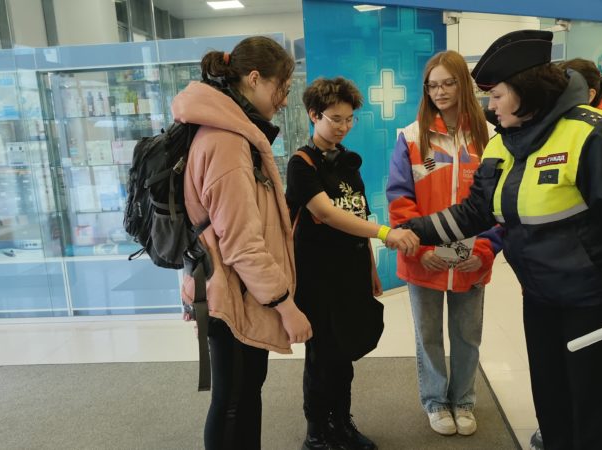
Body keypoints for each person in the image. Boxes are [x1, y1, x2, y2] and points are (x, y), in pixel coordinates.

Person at [399, 30, 602, 450]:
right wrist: (414, 232)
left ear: (526, 90)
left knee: (594, 411)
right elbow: (476, 211)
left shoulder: (593, 135)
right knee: (552, 403)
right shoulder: (503, 143)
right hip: (540, 298)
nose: (489, 106)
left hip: (594, 302)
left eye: (498, 95)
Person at [171, 36, 313, 450]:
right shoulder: (227, 143)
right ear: (254, 79)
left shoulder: (229, 135)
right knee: (234, 400)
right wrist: (286, 306)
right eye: (281, 88)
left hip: (236, 290)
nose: (284, 100)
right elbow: (242, 244)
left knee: (244, 394)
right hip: (231, 293)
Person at [286, 77, 419, 450]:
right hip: (317, 276)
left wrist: (371, 269)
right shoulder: (301, 164)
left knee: (343, 353)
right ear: (314, 115)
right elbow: (326, 214)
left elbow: (358, 210)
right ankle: (317, 431)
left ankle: (342, 424)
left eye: (349, 120)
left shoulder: (347, 161)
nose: (343, 127)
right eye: (335, 119)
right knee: (321, 355)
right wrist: (384, 233)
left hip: (351, 271)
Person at [386, 50, 502, 437]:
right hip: (424, 259)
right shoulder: (411, 136)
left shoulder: (490, 136)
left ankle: (464, 399)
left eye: (448, 82)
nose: (440, 91)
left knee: (468, 335)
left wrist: (486, 249)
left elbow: (501, 203)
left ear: (463, 84)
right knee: (429, 335)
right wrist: (421, 248)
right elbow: (400, 200)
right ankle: (436, 400)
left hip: (473, 259)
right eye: (432, 85)